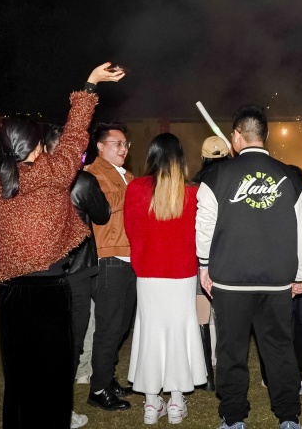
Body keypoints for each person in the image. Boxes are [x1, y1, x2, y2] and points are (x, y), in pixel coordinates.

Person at [0, 63, 122, 429]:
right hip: (49, 291)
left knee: (19, 379)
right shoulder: (54, 173)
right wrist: (90, 84)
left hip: (10, 295)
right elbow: (75, 134)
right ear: (39, 145)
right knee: (55, 379)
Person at [196, 103, 302, 429]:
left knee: (231, 351)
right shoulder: (291, 178)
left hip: (230, 279)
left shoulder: (215, 176)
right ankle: (288, 417)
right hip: (276, 280)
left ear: (236, 136)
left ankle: (233, 419)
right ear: (266, 135)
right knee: (279, 349)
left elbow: (204, 228)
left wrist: (205, 266)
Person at [124, 132, 207, 424]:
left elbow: (131, 231)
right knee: (179, 333)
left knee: (150, 333)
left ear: (152, 156)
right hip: (182, 273)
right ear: (180, 157)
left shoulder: (135, 188)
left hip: (148, 273)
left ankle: (151, 403)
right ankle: (175, 401)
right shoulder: (193, 192)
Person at [45, 121, 110, 420]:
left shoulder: (29, 178)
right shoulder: (82, 181)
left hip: (39, 273)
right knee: (71, 338)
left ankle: (44, 403)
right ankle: (60, 409)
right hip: (77, 270)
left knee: (46, 338)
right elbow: (102, 213)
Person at [85, 121, 139, 411]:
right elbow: (104, 206)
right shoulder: (93, 174)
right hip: (109, 257)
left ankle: (108, 377)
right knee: (108, 327)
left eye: (125, 144)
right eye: (117, 143)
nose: (123, 149)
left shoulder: (126, 174)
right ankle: (98, 388)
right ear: (100, 146)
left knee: (122, 325)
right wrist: (134, 190)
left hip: (130, 257)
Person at [191, 135, 233, 394]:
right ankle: (225, 368)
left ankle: (207, 374)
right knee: (227, 318)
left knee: (202, 315)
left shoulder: (196, 185)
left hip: (203, 256)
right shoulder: (234, 180)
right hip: (229, 256)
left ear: (203, 157)